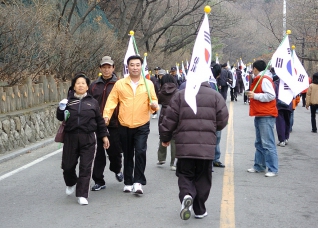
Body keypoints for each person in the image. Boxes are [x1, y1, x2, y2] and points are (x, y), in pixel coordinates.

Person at [159, 77, 229, 220]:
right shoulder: (215, 95)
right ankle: (199, 209)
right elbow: (223, 119)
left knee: (185, 173)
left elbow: (169, 119)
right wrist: (212, 128)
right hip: (206, 145)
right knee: (203, 176)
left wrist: (165, 138)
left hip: (185, 145)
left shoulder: (180, 95)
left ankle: (187, 194)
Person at [103, 55, 159, 194]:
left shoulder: (148, 84)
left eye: (137, 65)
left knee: (140, 152)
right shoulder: (120, 84)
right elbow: (112, 101)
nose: (135, 67)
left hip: (142, 124)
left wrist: (154, 106)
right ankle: (128, 181)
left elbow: (154, 102)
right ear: (127, 67)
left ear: (142, 66)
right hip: (124, 124)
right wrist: (106, 116)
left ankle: (138, 182)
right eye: (132, 65)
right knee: (127, 154)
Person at [56, 73, 110, 205]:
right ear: (74, 86)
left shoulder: (93, 102)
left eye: (83, 83)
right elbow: (60, 117)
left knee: (86, 167)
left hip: (88, 138)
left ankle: (82, 194)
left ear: (87, 87)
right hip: (71, 137)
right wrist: (61, 108)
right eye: (78, 83)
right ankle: (71, 182)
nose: (80, 85)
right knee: (67, 166)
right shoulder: (68, 101)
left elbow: (99, 121)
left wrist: (104, 136)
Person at [88, 56, 123, 192]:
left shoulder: (119, 84)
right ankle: (99, 180)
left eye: (109, 67)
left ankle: (117, 169)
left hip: (114, 125)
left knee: (114, 152)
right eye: (104, 67)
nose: (106, 69)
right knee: (98, 154)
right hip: (97, 125)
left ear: (113, 68)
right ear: (100, 68)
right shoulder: (94, 86)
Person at [246, 60, 278, 177]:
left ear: (255, 69)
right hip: (260, 113)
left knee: (267, 143)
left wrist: (255, 96)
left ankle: (273, 168)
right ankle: (259, 165)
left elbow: (271, 95)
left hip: (266, 114)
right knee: (259, 142)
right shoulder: (262, 78)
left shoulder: (264, 79)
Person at [156, 74, 178, 170]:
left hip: (164, 114)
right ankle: (173, 163)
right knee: (174, 138)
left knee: (163, 134)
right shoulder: (177, 92)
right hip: (175, 114)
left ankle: (161, 158)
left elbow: (158, 102)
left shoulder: (161, 92)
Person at [274, 77, 292, 147]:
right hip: (288, 104)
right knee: (287, 121)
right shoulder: (290, 83)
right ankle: (286, 138)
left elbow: (274, 94)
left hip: (279, 105)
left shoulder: (277, 83)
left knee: (280, 122)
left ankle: (282, 140)